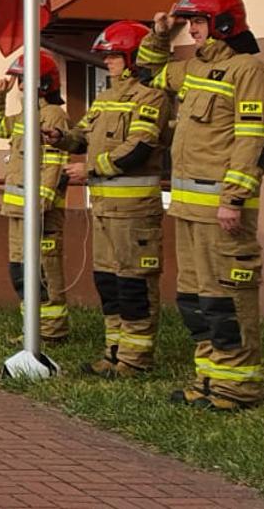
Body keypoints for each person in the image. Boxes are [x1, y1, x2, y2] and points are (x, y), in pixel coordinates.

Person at [139, 0, 264, 411]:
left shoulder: (248, 70)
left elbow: (257, 140)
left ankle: (237, 388)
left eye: (199, 21)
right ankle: (209, 379)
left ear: (223, 23)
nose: (194, 30)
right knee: (196, 300)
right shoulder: (194, 67)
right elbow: (147, 74)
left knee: (227, 299)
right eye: (191, 22)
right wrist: (160, 35)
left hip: (221, 211)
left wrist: (233, 199)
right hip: (188, 210)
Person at [51, 21, 173, 378]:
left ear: (133, 57)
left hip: (134, 212)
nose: (107, 63)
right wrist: (59, 136)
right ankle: (113, 353)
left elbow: (140, 147)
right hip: (104, 210)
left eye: (114, 56)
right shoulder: (105, 98)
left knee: (135, 283)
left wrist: (90, 169)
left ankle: (135, 361)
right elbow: (81, 137)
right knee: (109, 282)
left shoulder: (151, 97)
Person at [0, 49, 72, 344]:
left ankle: (52, 331)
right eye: (18, 81)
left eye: (24, 80)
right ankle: (32, 328)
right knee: (21, 270)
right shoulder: (25, 116)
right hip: (18, 211)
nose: (20, 86)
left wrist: (41, 204)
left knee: (45, 268)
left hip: (40, 212)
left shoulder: (53, 115)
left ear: (43, 83)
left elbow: (54, 162)